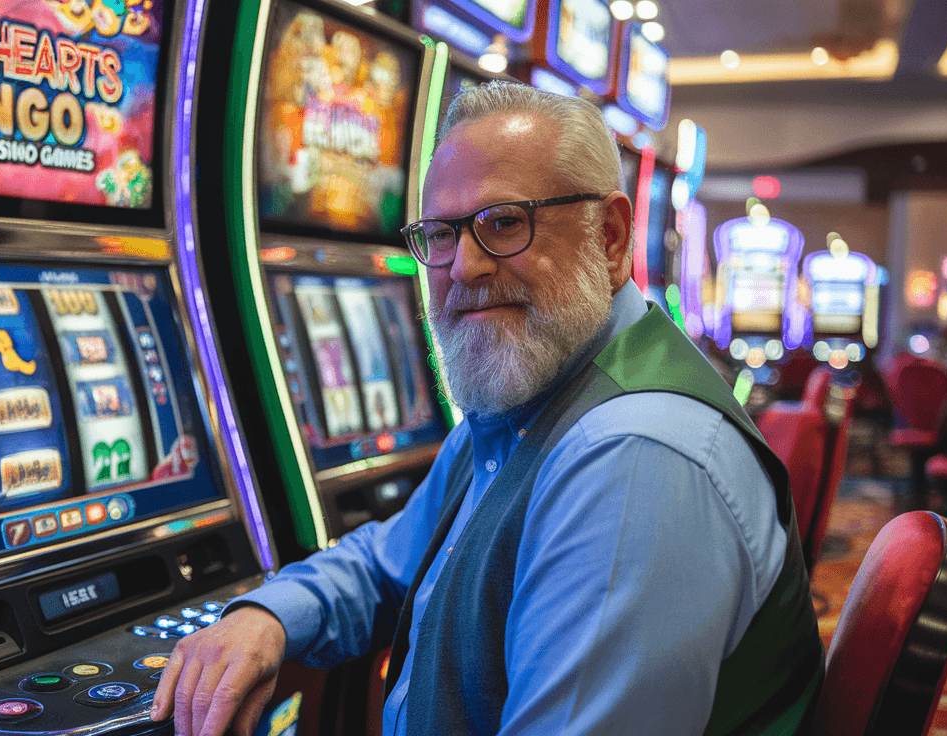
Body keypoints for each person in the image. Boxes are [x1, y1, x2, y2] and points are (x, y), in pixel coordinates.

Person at [151, 81, 824, 736]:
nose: (464, 267)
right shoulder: (527, 393)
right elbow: (389, 561)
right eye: (441, 235)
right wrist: (268, 616)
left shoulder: (631, 457)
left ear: (612, 237)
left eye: (505, 223)